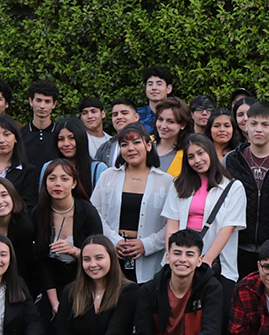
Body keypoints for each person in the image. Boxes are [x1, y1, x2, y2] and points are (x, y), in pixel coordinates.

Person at [92, 124, 175, 283]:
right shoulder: (107, 176)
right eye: (124, 144)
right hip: (113, 255)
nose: (130, 148)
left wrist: (146, 244)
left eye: (136, 142)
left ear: (149, 145)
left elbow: (172, 222)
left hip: (151, 259)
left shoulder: (167, 182)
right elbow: (95, 211)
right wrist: (114, 240)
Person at [163, 134, 247, 288]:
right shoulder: (178, 184)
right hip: (181, 261)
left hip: (217, 263)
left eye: (201, 153)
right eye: (191, 157)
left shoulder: (233, 187)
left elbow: (228, 228)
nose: (197, 160)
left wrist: (206, 262)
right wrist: (171, 255)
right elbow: (172, 223)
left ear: (210, 152)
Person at [225, 102, 269, 276]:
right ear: (246, 126)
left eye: (265, 124)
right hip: (238, 245)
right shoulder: (232, 159)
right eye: (253, 124)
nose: (258, 129)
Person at [35, 159, 104, 316]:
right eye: (52, 178)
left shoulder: (88, 212)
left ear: (74, 183)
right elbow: (42, 261)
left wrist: (74, 251)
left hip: (85, 281)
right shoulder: (39, 213)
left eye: (64, 178)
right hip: (52, 283)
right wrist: (54, 302)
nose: (57, 184)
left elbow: (101, 256)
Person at [45, 117, 106, 199]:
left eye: (72, 138)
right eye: (61, 139)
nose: (66, 143)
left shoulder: (98, 169)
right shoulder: (48, 167)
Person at [20, 80, 60, 169]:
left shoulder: (61, 134)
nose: (42, 106)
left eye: (47, 101)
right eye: (38, 100)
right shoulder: (20, 134)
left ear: (54, 104)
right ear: (31, 101)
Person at [93, 98, 144, 168]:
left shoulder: (148, 143)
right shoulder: (104, 148)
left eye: (124, 113)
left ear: (136, 117)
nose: (119, 117)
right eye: (115, 114)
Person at [153, 97, 194, 175]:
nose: (163, 126)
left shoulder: (188, 153)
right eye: (160, 119)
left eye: (170, 121)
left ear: (182, 125)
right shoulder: (144, 144)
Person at [140, 66, 176, 135]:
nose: (154, 88)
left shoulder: (177, 114)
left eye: (159, 84)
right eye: (150, 84)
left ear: (168, 88)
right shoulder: (136, 116)